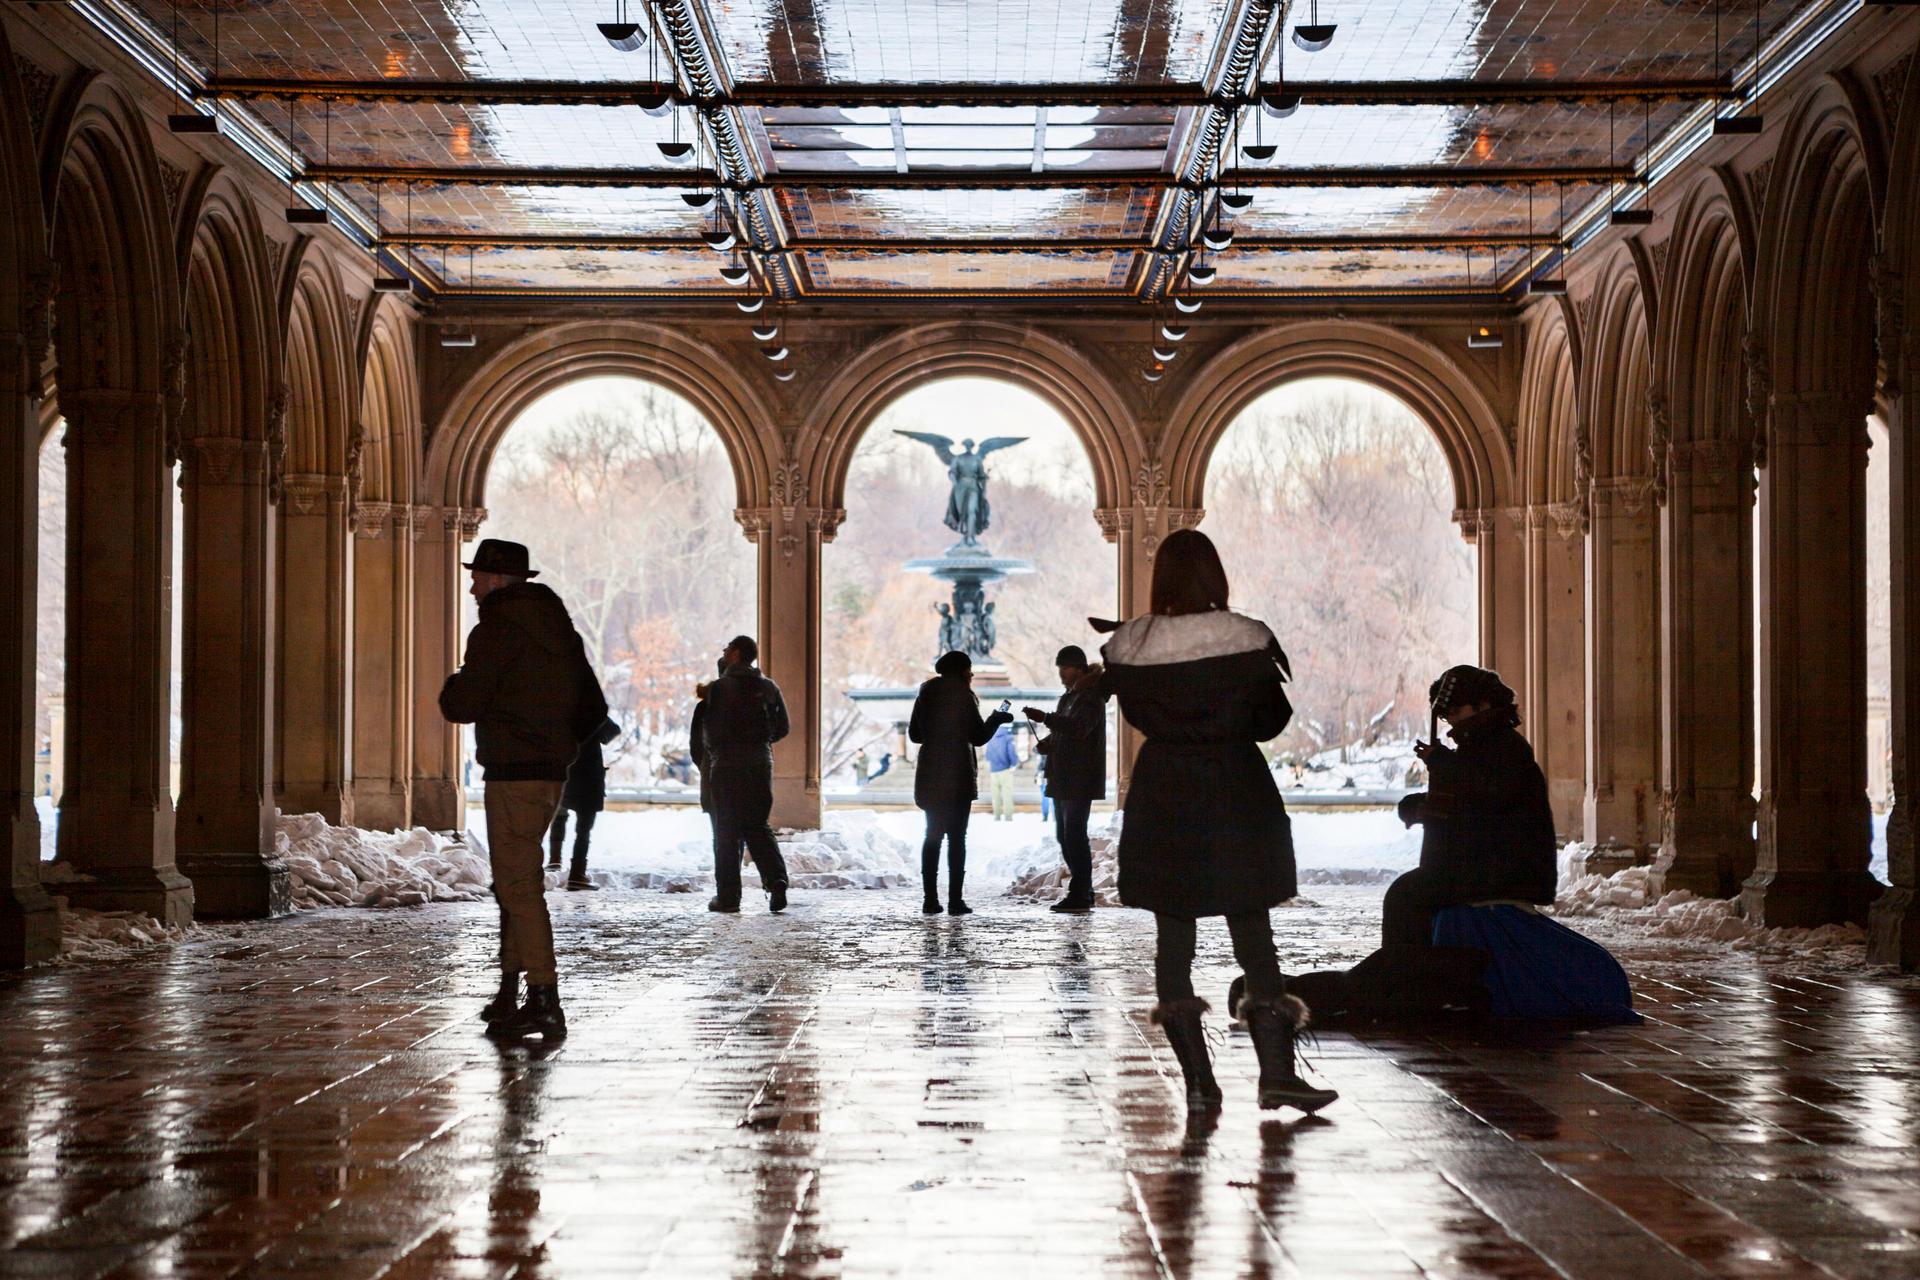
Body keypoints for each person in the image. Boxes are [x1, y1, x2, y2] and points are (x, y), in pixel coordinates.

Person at [1099, 528, 1336, 1114]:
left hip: (1165, 794)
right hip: (1234, 789)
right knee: (1253, 935)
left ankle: (1200, 1086)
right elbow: (1270, 719)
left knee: (1173, 940)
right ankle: (1276, 1074)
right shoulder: (1246, 639)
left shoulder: (1131, 646)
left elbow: (1132, 712)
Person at [440, 538, 606, 1042]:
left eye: (476, 577)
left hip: (513, 773)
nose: (471, 586)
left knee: (518, 887)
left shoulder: (495, 629)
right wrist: (558, 747)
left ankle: (544, 998)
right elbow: (593, 708)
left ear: (495, 580)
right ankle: (510, 990)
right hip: (549, 774)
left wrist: (454, 685)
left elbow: (462, 704)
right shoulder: (561, 629)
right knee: (517, 880)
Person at [1388, 665, 1558, 946]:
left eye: (1455, 711)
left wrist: (1441, 762)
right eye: (1446, 715)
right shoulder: (1479, 744)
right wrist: (1420, 805)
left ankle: (1410, 973)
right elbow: (1467, 798)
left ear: (1483, 705)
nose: (1450, 720)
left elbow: (1489, 793)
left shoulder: (1503, 745)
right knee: (1408, 893)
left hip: (1504, 872)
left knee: (1407, 895)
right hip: (1485, 866)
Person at [908, 649, 1013, 915]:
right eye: (969, 669)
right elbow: (978, 737)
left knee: (932, 835)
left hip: (931, 775)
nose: (972, 673)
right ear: (961, 671)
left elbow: (914, 735)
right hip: (958, 774)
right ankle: (956, 901)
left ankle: (929, 900)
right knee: (957, 838)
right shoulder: (964, 696)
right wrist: (996, 718)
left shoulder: (925, 693)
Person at [702, 635, 792, 914]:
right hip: (759, 763)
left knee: (726, 831)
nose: (724, 651)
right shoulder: (768, 687)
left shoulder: (718, 688)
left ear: (736, 654)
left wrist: (718, 752)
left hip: (727, 765)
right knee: (757, 825)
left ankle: (728, 898)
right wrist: (760, 744)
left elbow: (709, 731)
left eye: (727, 648)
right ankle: (776, 880)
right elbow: (783, 727)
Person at [1025, 644, 1106, 913]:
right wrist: (1048, 743)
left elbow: (1080, 728)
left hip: (1078, 777)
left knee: (1074, 835)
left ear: (1078, 668)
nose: (1061, 673)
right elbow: (1066, 731)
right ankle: (1083, 890)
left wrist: (1045, 718)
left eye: (1065, 668)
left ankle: (1081, 893)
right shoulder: (1069, 697)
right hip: (1062, 774)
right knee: (1064, 835)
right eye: (1059, 668)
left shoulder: (1090, 697)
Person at [548, 716, 618, 890]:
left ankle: (554, 861)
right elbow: (611, 732)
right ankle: (577, 874)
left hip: (563, 772)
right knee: (584, 828)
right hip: (588, 775)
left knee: (559, 815)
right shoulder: (590, 716)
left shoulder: (556, 711)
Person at [984, 723, 1019, 821]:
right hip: (1005, 770)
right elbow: (1011, 752)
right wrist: (1014, 764)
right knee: (1007, 794)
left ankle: (997, 816)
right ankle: (1008, 817)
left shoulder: (991, 736)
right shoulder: (1008, 737)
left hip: (993, 770)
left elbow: (987, 754)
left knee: (995, 795)